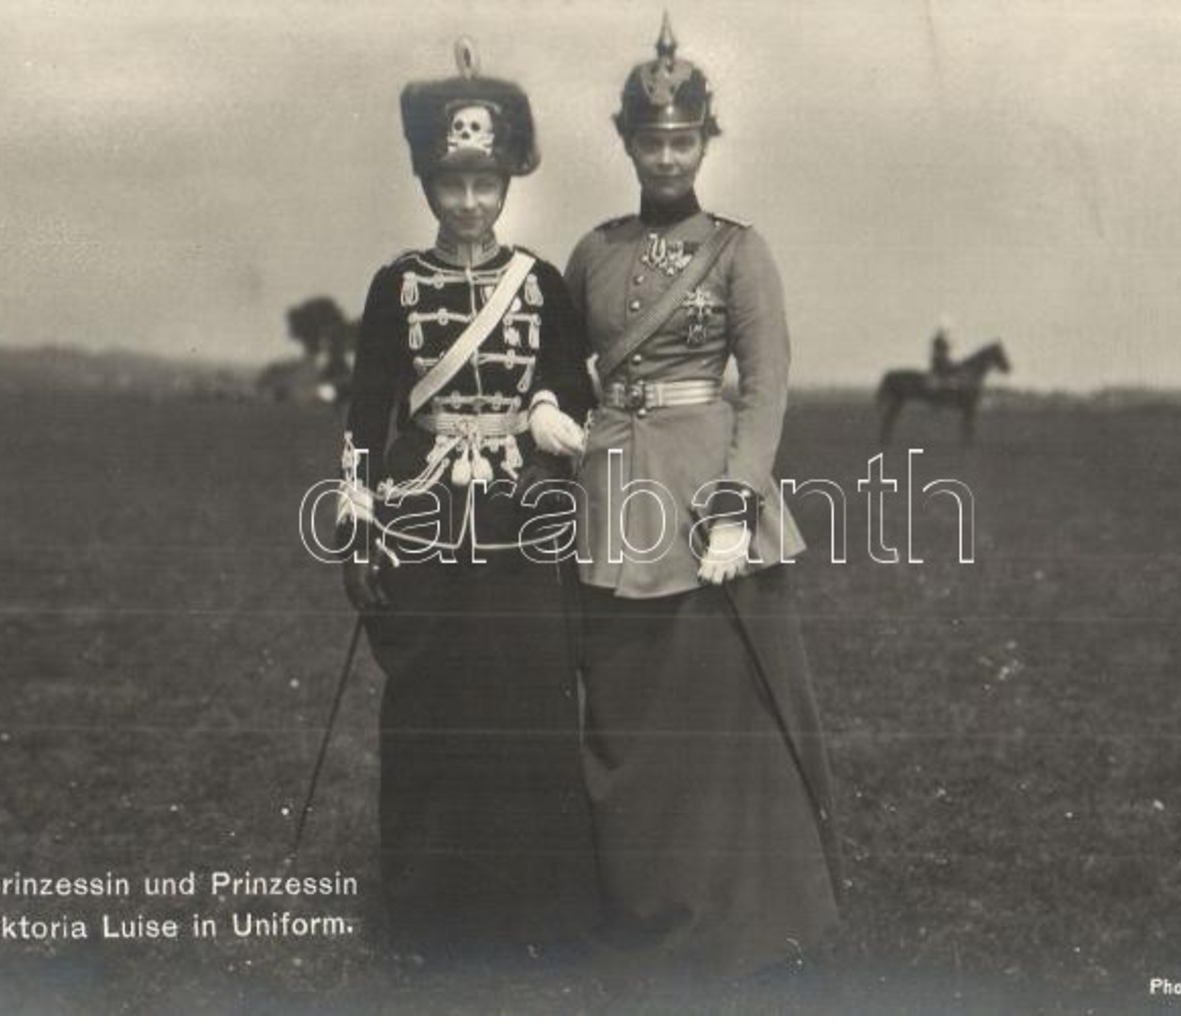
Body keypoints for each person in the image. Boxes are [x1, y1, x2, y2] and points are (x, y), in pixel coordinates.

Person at [563, 16, 841, 976]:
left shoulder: (737, 250)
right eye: (651, 139)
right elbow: (564, 376)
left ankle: (739, 909)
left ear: (705, 141)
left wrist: (734, 502)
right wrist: (546, 421)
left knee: (714, 720)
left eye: (684, 138)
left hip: (707, 495)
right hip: (609, 489)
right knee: (625, 707)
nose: (668, 154)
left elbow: (763, 388)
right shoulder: (592, 252)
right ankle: (639, 898)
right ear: (627, 141)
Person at [333, 40, 598, 961]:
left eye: (486, 182)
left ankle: (535, 907)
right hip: (422, 512)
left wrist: (553, 407)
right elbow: (366, 414)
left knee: (527, 694)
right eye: (452, 182)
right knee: (430, 698)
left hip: (523, 511)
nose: (471, 203)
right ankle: (428, 906)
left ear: (508, 181)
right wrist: (357, 525)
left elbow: (569, 378)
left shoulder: (540, 283)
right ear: (426, 181)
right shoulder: (394, 285)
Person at [930, 321, 956, 388]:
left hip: (943, 359)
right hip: (940, 360)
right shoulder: (938, 340)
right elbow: (939, 350)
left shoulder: (942, 340)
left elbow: (946, 350)